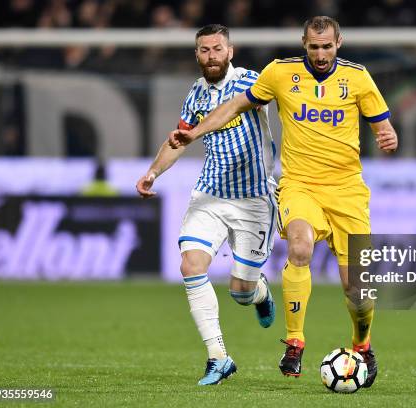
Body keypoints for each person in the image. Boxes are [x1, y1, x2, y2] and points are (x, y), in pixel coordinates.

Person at [168, 16, 398, 388]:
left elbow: (383, 126)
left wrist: (388, 137)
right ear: (303, 44)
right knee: (300, 248)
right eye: (313, 47)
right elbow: (234, 106)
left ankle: (363, 345)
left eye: (327, 47)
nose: (320, 54)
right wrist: (194, 133)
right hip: (299, 184)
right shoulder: (279, 73)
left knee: (356, 287)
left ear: (338, 43)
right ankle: (294, 342)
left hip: (347, 190)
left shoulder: (358, 77)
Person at [136, 24, 277, 386]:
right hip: (211, 193)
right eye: (204, 50)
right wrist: (153, 171)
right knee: (190, 264)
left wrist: (196, 132)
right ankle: (218, 357)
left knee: (240, 292)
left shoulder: (249, 80)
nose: (211, 56)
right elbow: (179, 139)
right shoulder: (196, 93)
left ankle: (258, 291)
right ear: (197, 54)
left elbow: (228, 112)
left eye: (217, 49)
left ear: (230, 51)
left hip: (253, 198)